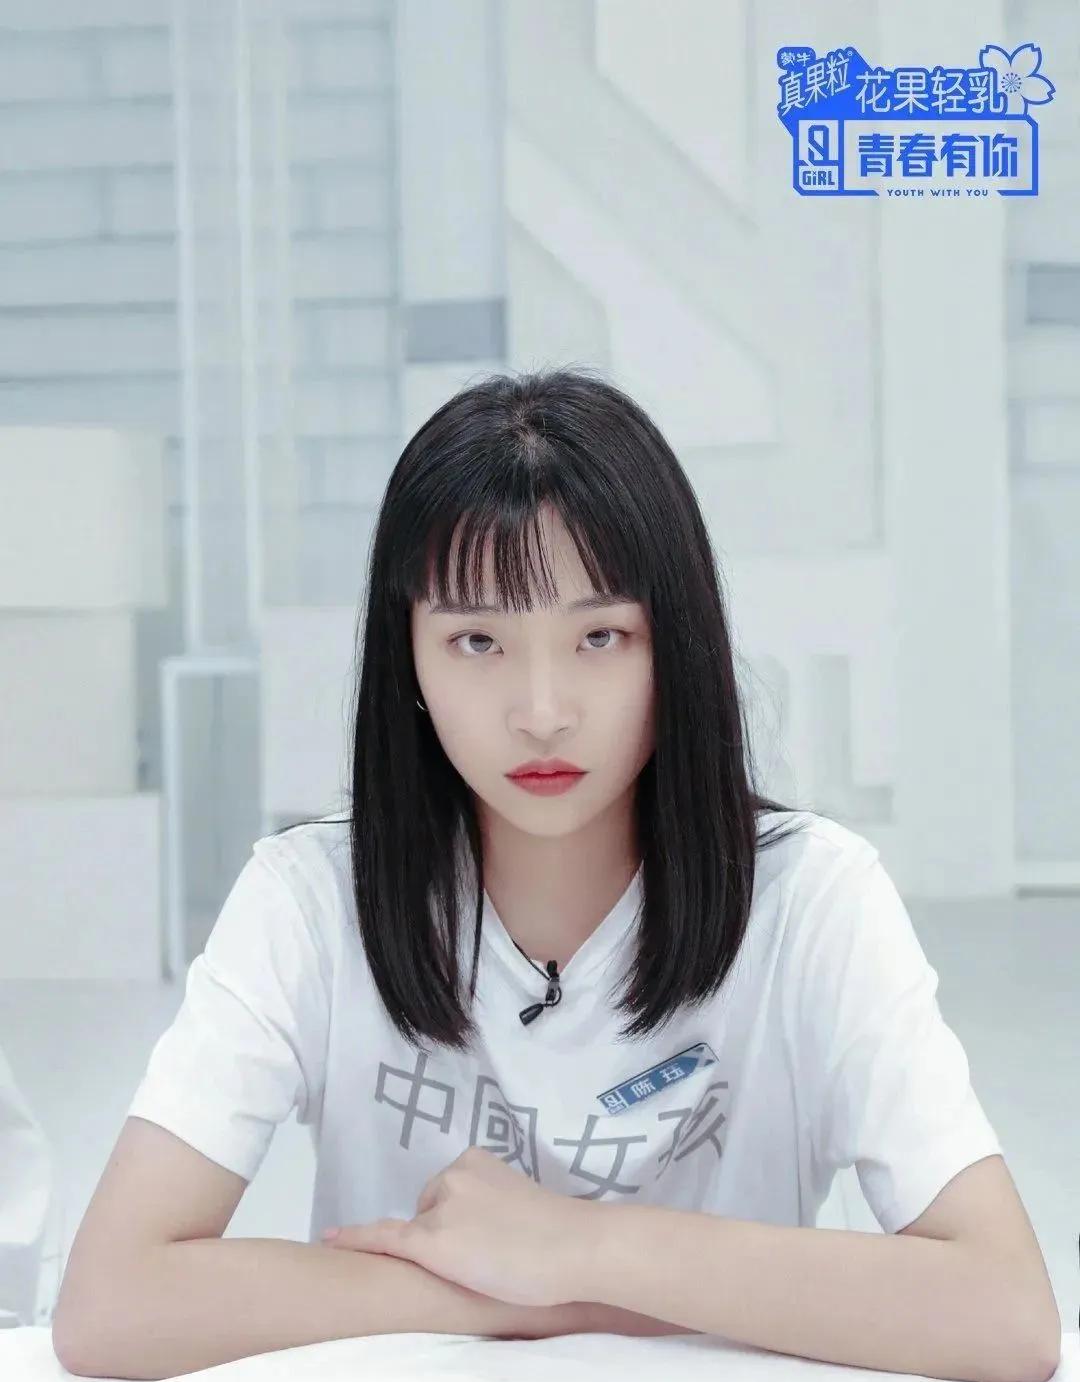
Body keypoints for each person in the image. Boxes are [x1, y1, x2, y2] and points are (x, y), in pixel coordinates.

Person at [125, 365, 1002, 1250]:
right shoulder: (312, 900)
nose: (542, 712)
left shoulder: (810, 898)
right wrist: (538, 1292)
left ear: (677, 645)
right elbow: (117, 1288)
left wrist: (574, 1253)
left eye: (600, 636)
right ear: (408, 660)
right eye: (477, 640)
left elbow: (1001, 1298)